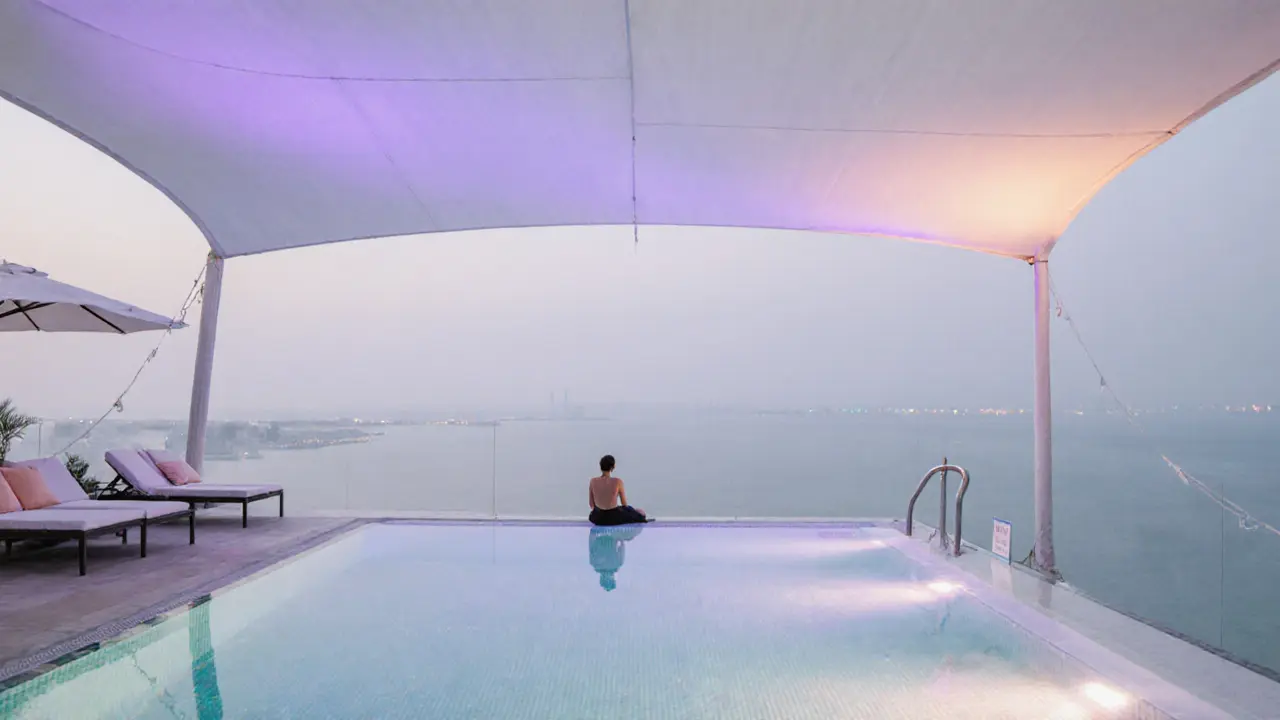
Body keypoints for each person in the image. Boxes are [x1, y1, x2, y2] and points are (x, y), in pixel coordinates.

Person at [588, 455, 648, 526]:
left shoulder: (593, 481)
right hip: (613, 517)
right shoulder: (617, 482)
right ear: (612, 467)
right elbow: (624, 504)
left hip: (598, 518)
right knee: (639, 513)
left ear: (601, 466)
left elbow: (591, 504)